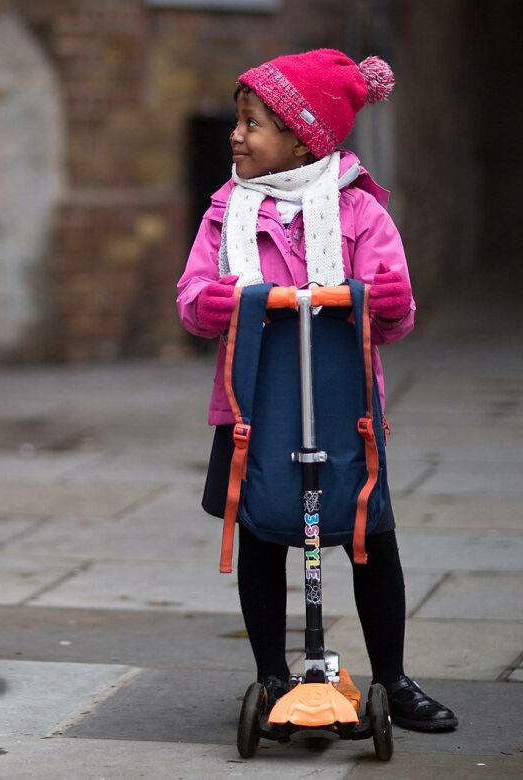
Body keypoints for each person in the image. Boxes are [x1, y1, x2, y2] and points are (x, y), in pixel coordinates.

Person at [176, 49, 457, 733]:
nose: (236, 135)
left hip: (344, 408)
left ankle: (392, 677)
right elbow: (192, 297)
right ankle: (273, 674)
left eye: (253, 123)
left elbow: (393, 313)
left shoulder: (358, 211)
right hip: (254, 406)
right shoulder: (226, 212)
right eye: (239, 121)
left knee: (369, 534)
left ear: (303, 138)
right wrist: (213, 305)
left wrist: (388, 302)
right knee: (262, 530)